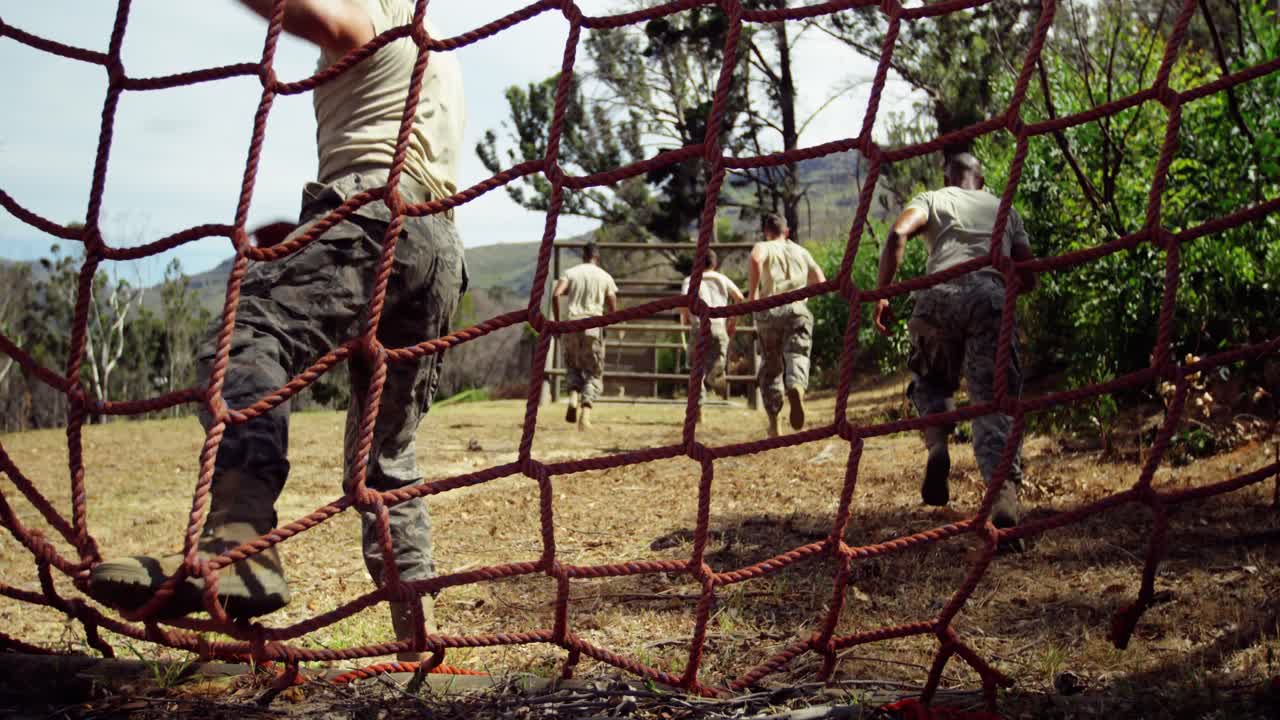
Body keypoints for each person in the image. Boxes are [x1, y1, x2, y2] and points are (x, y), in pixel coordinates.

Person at [90, 0, 467, 661]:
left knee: (249, 330)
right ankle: (420, 643)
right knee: (387, 461)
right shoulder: (437, 42)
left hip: (374, 213)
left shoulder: (379, 8)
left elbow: (333, 24)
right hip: (435, 245)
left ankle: (238, 539)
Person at [873, 152, 1037, 535]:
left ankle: (937, 448)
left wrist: (883, 294)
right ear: (981, 181)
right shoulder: (1004, 209)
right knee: (993, 399)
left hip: (938, 294)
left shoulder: (932, 199)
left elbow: (897, 234)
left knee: (930, 379)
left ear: (947, 177)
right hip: (991, 296)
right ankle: (1002, 494)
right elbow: (1029, 278)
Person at [748, 213, 825, 438]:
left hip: (769, 310)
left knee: (771, 367)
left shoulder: (765, 246)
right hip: (797, 309)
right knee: (798, 354)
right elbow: (820, 281)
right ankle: (796, 387)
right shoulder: (801, 251)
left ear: (766, 232)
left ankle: (775, 425)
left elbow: (755, 258)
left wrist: (753, 295)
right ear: (787, 232)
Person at [552, 242, 618, 431]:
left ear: (583, 255)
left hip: (572, 323)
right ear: (597, 257)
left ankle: (573, 398)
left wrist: (558, 323)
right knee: (594, 372)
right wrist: (607, 323)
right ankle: (585, 416)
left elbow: (556, 295)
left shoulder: (571, 273)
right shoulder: (605, 277)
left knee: (572, 366)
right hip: (592, 325)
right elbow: (613, 307)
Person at [679, 248, 744, 422]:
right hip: (718, 326)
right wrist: (732, 320)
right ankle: (715, 378)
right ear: (714, 264)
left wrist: (685, 319)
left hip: (699, 326)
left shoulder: (690, 280)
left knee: (696, 370)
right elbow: (739, 297)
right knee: (718, 363)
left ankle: (698, 408)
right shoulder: (721, 278)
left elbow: (684, 302)